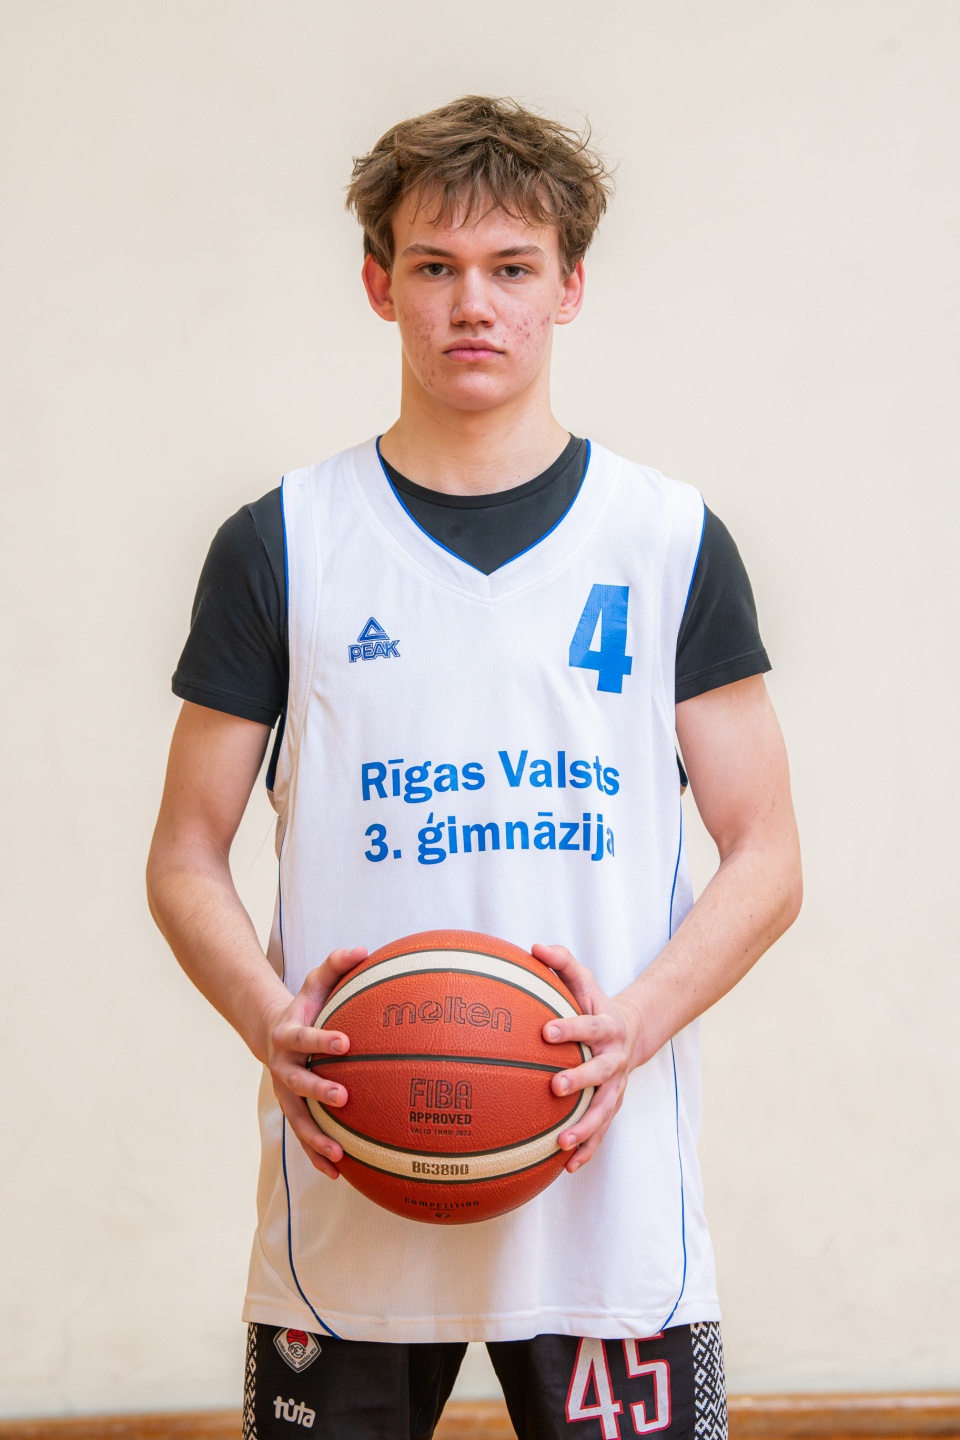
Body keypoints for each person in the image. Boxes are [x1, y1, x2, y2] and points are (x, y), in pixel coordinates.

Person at [147, 95, 801, 1440]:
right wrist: (271, 1021)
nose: (473, 305)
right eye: (435, 267)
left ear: (570, 287)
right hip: (352, 1192)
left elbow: (770, 856)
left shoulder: (667, 541)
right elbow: (183, 856)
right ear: (378, 283)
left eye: (512, 267)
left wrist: (637, 1025)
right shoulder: (282, 544)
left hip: (606, 1206)